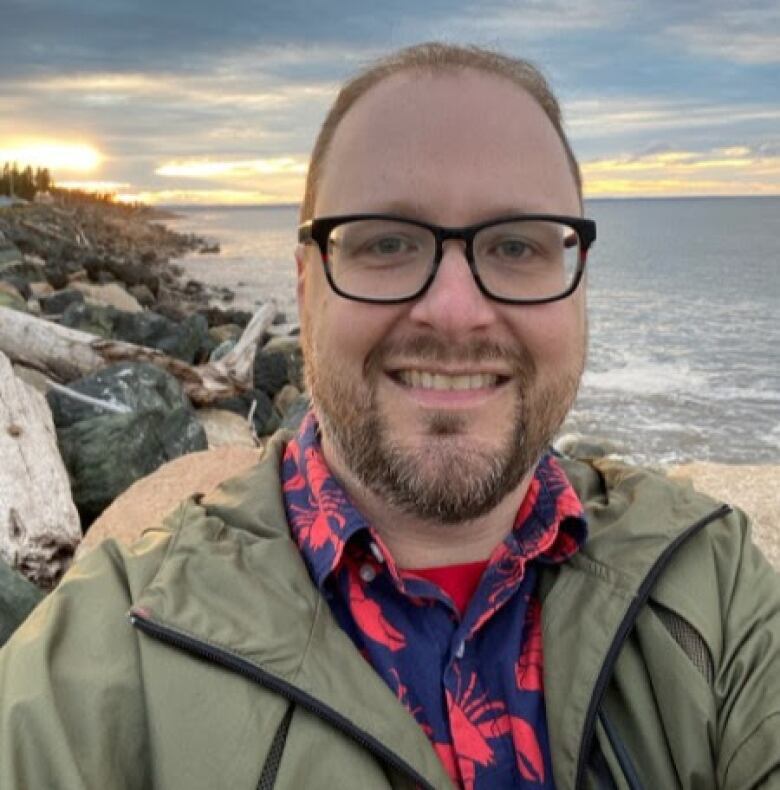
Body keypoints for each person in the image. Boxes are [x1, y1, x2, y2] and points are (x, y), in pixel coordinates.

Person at [1, 42, 778, 790]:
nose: (454, 311)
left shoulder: (710, 587)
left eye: (515, 247)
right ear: (305, 288)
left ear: (579, 285)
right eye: (386, 244)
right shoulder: (110, 653)